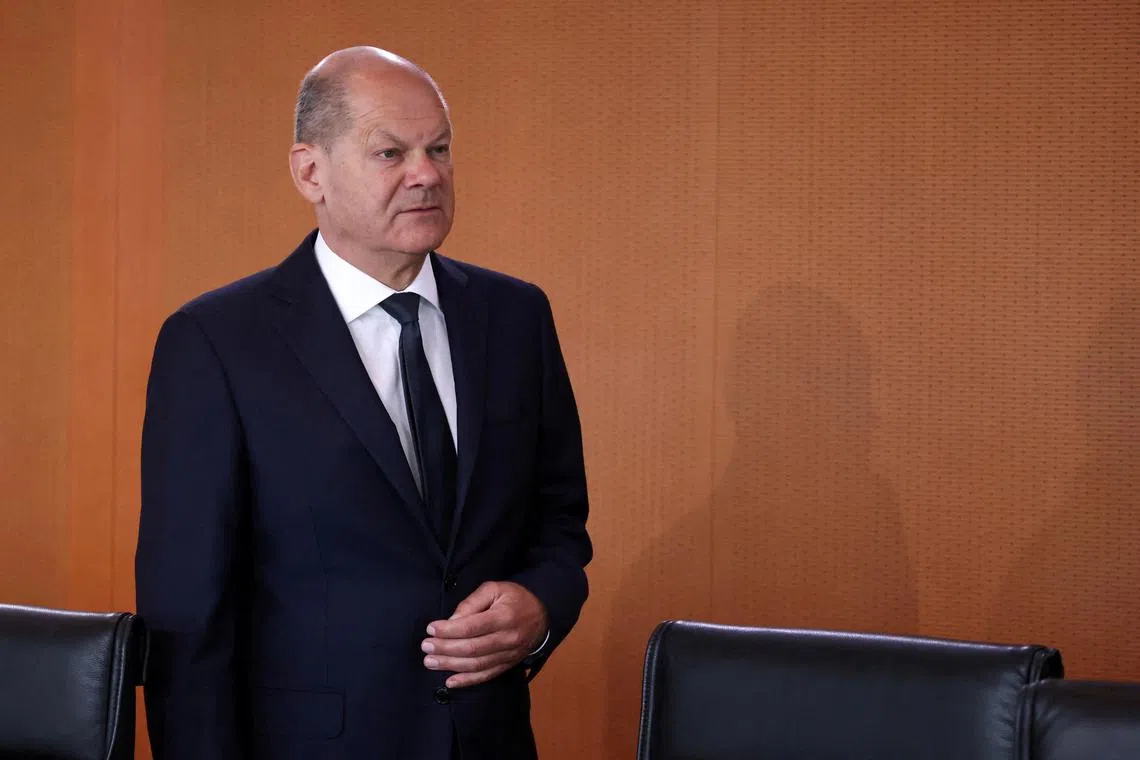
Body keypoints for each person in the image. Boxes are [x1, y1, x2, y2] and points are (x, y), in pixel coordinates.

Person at [135, 46, 592, 760]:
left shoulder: (515, 317)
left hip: (489, 739)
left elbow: (559, 522)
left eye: (439, 149)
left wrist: (539, 608)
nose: (427, 174)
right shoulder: (216, 342)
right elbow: (187, 610)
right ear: (310, 172)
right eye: (391, 153)